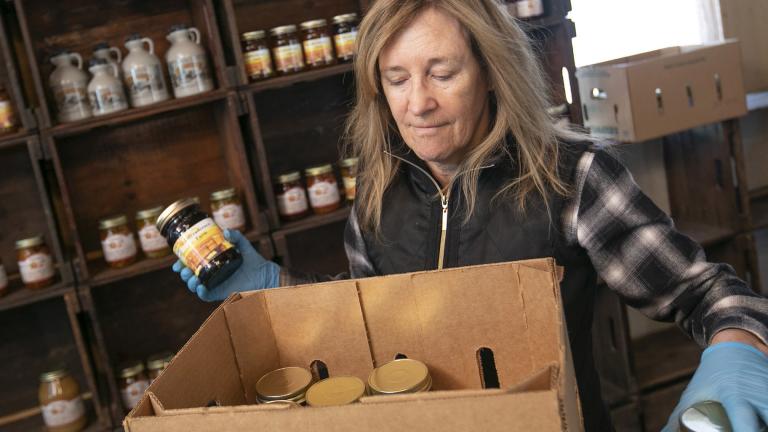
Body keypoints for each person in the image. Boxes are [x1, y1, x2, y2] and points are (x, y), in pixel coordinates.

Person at [173, 0, 768, 430]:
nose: (418, 103)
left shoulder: (570, 178)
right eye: (397, 78)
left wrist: (736, 355)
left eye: (442, 73)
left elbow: (713, 296)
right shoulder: (379, 191)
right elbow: (365, 334)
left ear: (490, 74)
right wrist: (275, 290)